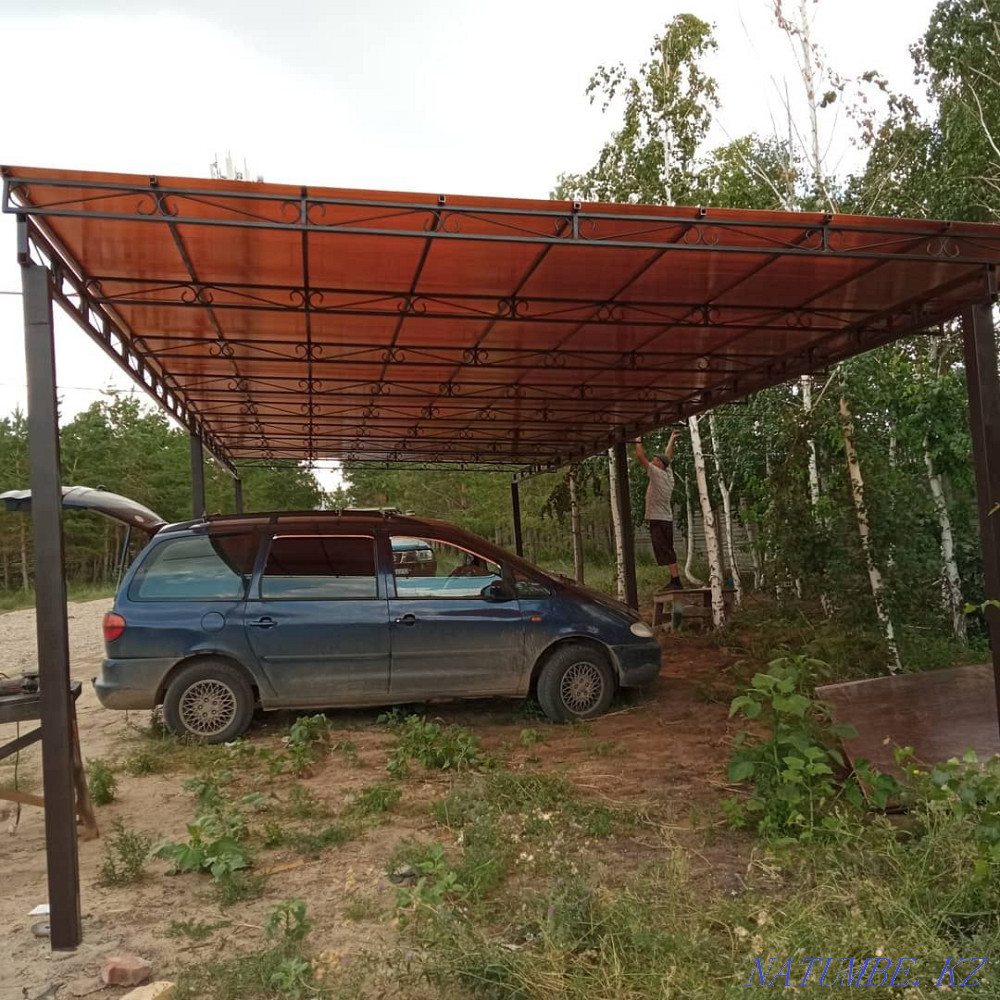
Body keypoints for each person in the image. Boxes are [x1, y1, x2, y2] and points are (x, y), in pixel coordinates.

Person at [634, 431, 682, 590]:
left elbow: (640, 457)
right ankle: (675, 580)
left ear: (659, 465)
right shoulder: (668, 474)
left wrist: (638, 439)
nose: (652, 461)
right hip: (665, 518)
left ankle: (676, 581)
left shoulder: (656, 473)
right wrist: (671, 439)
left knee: (664, 549)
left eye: (655, 460)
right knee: (667, 548)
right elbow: (667, 457)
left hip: (658, 519)